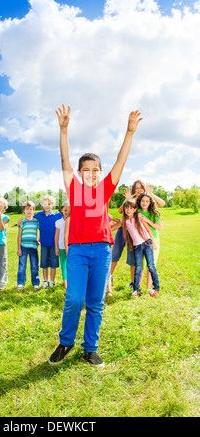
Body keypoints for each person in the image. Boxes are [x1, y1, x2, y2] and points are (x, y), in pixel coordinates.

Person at [48, 104, 143, 367]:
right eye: (86, 170)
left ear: (100, 173)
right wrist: (63, 130)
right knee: (75, 298)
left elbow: (120, 161)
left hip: (101, 249)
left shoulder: (104, 190)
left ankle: (90, 348)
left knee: (95, 302)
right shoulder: (73, 189)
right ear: (79, 174)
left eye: (95, 170)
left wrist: (129, 132)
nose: (91, 173)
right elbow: (64, 159)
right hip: (77, 250)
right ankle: (66, 343)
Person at [111, 181, 165, 288]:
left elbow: (162, 204)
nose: (138, 190)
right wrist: (126, 200)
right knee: (118, 254)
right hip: (129, 232)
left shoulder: (146, 201)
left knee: (144, 263)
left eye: (140, 188)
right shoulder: (134, 202)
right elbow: (121, 212)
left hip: (144, 237)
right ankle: (110, 276)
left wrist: (150, 193)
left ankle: (140, 285)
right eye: (136, 188)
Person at [121, 199, 160, 297]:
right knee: (138, 268)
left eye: (131, 208)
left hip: (147, 243)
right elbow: (118, 223)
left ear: (135, 209)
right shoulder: (124, 221)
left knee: (151, 266)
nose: (128, 210)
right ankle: (136, 290)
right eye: (126, 208)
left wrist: (153, 242)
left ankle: (156, 288)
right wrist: (111, 218)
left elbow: (148, 230)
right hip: (137, 246)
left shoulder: (139, 216)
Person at [34, 195, 62, 288]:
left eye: (49, 204)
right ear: (42, 204)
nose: (47, 206)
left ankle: (52, 281)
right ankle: (45, 281)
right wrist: (20, 220)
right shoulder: (39, 215)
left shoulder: (57, 215)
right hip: (44, 244)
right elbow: (29, 218)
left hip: (54, 244)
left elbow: (66, 218)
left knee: (54, 263)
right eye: (45, 204)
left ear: (52, 204)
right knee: (44, 263)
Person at [136, 192, 162, 292]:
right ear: (139, 201)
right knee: (140, 265)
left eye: (147, 201)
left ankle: (148, 288)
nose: (144, 203)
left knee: (150, 265)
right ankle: (137, 288)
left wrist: (147, 220)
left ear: (150, 202)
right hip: (140, 241)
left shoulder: (153, 213)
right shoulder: (136, 211)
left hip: (153, 240)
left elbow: (159, 227)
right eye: (143, 201)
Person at [17, 201, 40, 290]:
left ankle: (35, 283)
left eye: (31, 209)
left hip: (33, 247)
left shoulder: (36, 221)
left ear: (34, 210)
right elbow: (19, 235)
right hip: (23, 247)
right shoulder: (22, 222)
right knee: (22, 266)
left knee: (34, 266)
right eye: (27, 209)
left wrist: (39, 240)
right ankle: (21, 283)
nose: (29, 211)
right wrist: (19, 248)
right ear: (23, 211)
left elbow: (42, 230)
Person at [54, 202, 70, 290]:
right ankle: (66, 285)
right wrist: (56, 247)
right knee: (64, 266)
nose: (66, 212)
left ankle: (72, 283)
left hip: (71, 247)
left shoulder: (73, 220)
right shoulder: (58, 222)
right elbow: (56, 235)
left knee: (71, 266)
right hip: (61, 247)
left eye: (68, 210)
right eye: (65, 210)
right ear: (61, 210)